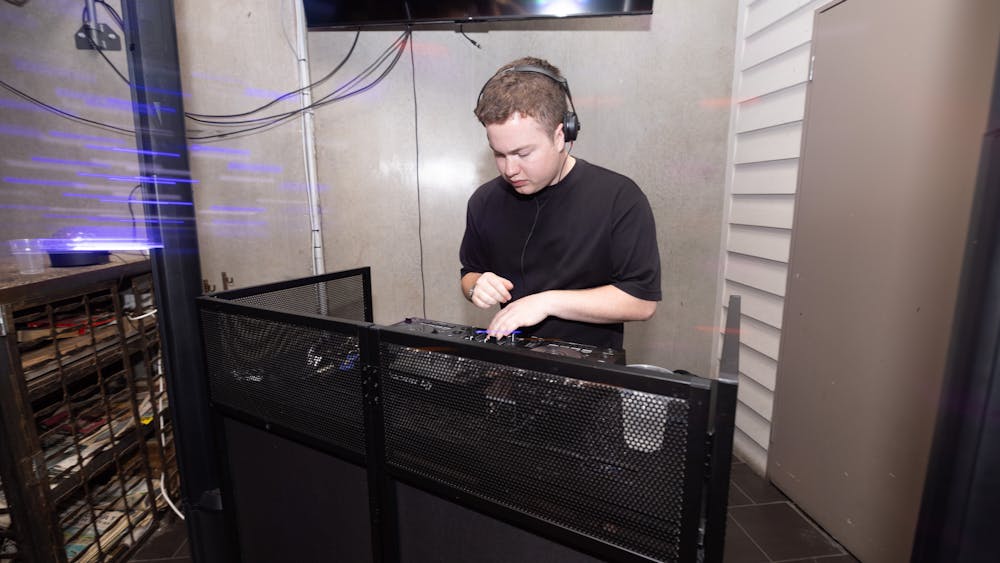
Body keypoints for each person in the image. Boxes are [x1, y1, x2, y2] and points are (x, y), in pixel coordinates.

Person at [459, 57, 661, 350]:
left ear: (560, 135)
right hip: (511, 377)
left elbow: (642, 302)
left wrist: (548, 302)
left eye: (523, 153)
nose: (509, 169)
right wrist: (477, 286)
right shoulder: (483, 201)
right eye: (499, 154)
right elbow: (469, 274)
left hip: (591, 386)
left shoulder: (619, 197)